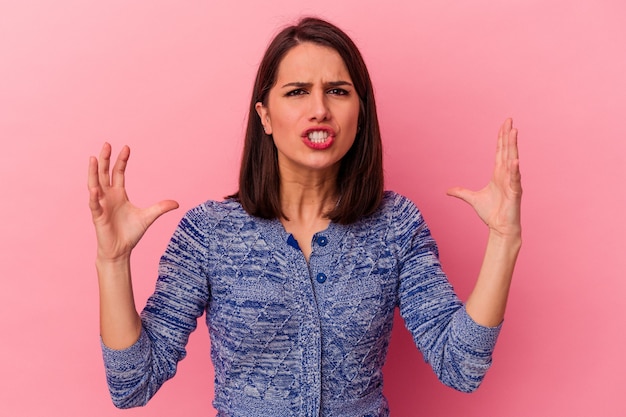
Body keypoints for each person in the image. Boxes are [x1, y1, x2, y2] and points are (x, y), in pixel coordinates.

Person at [88, 17, 522, 416]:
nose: (320, 109)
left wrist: (504, 240)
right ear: (265, 116)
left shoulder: (396, 224)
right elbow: (133, 384)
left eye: (338, 90)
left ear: (360, 112)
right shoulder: (209, 233)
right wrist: (112, 262)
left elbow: (460, 366)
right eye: (297, 92)